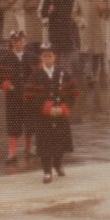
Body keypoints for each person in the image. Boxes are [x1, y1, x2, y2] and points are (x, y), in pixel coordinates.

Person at [24, 43, 79, 184]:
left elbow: (73, 93)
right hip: (43, 116)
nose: (47, 59)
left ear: (55, 57)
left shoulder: (63, 73)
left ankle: (58, 164)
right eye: (44, 56)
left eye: (50, 56)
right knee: (45, 144)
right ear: (41, 58)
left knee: (60, 141)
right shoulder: (35, 74)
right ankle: (47, 171)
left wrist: (64, 108)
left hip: (60, 113)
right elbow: (29, 97)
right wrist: (45, 108)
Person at [0, 30, 37, 164]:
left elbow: (40, 75)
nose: (19, 44)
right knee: (13, 124)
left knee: (30, 123)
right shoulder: (5, 59)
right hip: (13, 98)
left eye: (21, 41)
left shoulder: (32, 57)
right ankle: (12, 153)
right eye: (16, 41)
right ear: (11, 42)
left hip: (30, 97)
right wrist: (5, 84)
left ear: (25, 41)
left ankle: (29, 149)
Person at [41, 0, 80, 76]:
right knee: (56, 53)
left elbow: (74, 12)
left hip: (66, 30)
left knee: (67, 52)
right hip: (54, 32)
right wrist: (49, 12)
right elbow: (43, 14)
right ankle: (56, 73)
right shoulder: (48, 0)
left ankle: (67, 74)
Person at [73, 0, 108, 84]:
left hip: (98, 30)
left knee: (97, 54)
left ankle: (94, 75)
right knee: (88, 53)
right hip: (85, 30)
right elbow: (74, 14)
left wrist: (103, 9)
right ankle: (89, 74)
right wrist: (81, 22)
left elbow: (105, 15)